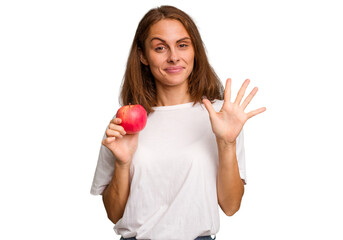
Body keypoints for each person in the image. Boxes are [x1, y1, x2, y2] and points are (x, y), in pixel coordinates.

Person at [90, 5, 266, 240]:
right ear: (143, 55)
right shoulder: (124, 123)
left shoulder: (219, 115)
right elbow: (114, 213)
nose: (174, 56)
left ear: (195, 51)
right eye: (160, 48)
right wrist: (123, 164)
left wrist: (226, 143)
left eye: (182, 45)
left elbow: (231, 206)